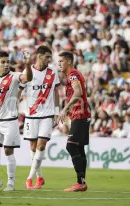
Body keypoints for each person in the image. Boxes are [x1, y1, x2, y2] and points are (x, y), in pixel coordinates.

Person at [0, 51, 33, 191]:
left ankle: (11, 183)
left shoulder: (15, 76)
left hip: (10, 120)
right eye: (3, 62)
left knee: (8, 151)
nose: (6, 64)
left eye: (7, 62)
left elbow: (28, 77)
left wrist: (27, 64)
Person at [21, 46, 60, 189]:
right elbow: (20, 88)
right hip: (31, 114)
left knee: (41, 145)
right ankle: (40, 177)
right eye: (47, 57)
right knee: (33, 147)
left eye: (50, 57)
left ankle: (29, 179)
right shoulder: (28, 71)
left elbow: (56, 92)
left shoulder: (52, 71)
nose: (49, 60)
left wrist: (56, 111)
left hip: (47, 114)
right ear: (39, 56)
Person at [58, 51, 91, 192]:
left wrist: (65, 108)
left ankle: (80, 182)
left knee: (71, 146)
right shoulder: (72, 75)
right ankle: (81, 183)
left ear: (69, 61)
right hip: (79, 114)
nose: (59, 63)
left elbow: (78, 93)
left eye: (61, 61)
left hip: (81, 114)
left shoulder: (73, 75)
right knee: (79, 148)